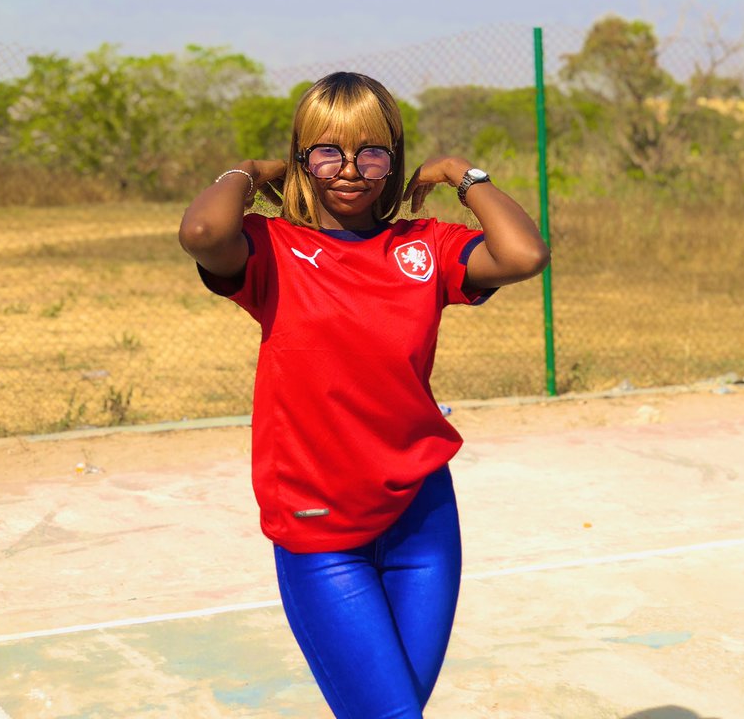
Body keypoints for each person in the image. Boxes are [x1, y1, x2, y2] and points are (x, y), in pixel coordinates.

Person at [179, 71, 549, 719]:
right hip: (321, 529)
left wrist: (464, 173)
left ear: (393, 160)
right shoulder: (273, 247)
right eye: (327, 151)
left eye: (370, 151)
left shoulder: (423, 246)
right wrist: (248, 168)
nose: (349, 169)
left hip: (422, 517)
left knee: (395, 708)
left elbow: (522, 255)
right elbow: (204, 234)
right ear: (302, 161)